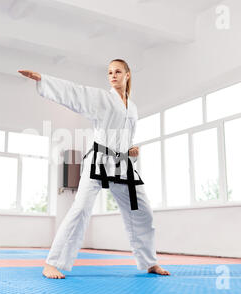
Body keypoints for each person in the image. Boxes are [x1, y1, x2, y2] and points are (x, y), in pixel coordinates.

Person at [18, 59, 170, 279]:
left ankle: (149, 262)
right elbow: (76, 93)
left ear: (128, 75)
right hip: (99, 160)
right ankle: (52, 262)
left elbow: (125, 139)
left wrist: (131, 150)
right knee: (80, 210)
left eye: (118, 71)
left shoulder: (133, 107)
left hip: (122, 165)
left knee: (143, 211)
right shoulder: (102, 99)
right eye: (109, 72)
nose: (113, 75)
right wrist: (44, 80)